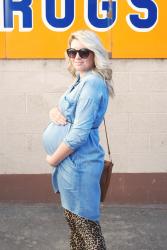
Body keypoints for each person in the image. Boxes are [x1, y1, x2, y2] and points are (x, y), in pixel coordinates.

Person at [42, 29, 114, 250]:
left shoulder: (92, 83)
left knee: (87, 229)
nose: (77, 57)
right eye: (72, 52)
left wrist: (53, 159)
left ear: (95, 54)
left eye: (84, 52)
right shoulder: (80, 80)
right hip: (70, 166)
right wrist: (53, 112)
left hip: (79, 166)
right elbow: (67, 111)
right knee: (75, 227)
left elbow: (79, 133)